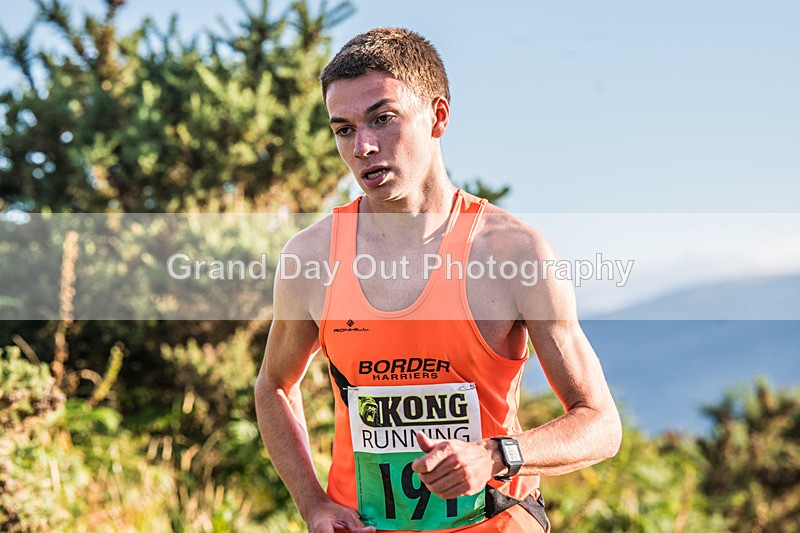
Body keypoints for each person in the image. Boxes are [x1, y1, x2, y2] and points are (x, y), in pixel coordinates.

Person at [255, 27, 622, 533]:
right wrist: (312, 502)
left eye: (383, 119)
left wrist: (495, 456)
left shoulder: (515, 253)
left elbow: (600, 423)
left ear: (438, 116)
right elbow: (273, 386)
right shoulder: (311, 257)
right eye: (343, 129)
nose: (362, 146)